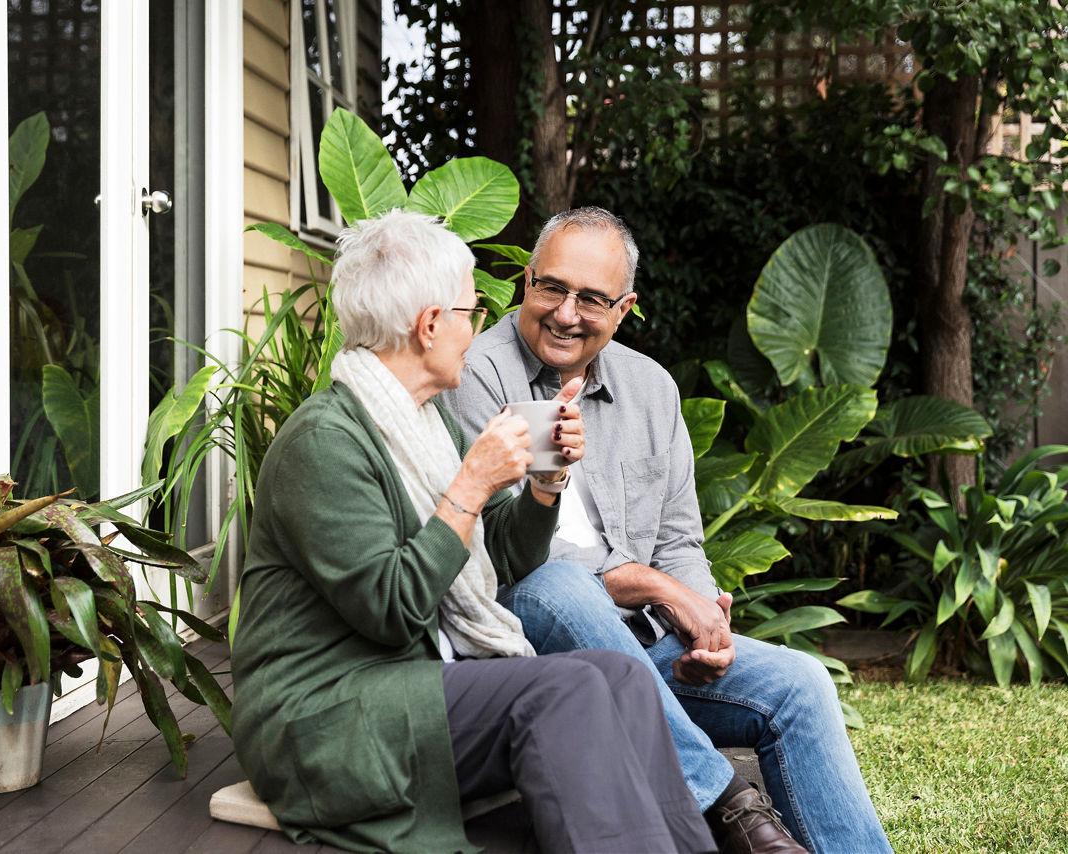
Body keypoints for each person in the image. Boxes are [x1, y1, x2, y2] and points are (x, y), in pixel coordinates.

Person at [229, 209, 715, 854]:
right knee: (564, 688)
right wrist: (469, 487)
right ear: (431, 325)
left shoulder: (429, 425)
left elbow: (509, 555)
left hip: (418, 680)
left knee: (620, 679)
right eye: (470, 313)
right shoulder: (324, 441)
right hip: (325, 714)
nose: (478, 329)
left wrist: (545, 484)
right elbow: (391, 611)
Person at [439, 207, 892, 854]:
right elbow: (515, 550)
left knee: (801, 685)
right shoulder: (480, 374)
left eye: (592, 299)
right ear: (526, 281)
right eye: (552, 288)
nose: (566, 313)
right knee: (565, 587)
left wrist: (703, 621)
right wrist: (652, 585)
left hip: (648, 645)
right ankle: (727, 803)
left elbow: (679, 538)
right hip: (528, 644)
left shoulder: (650, 390)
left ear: (624, 309)